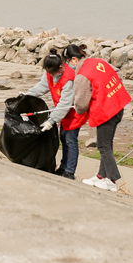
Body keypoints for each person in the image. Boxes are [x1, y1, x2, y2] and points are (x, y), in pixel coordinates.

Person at [67, 44, 132, 192]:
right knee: (107, 144)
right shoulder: (97, 61)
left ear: (74, 59)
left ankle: (112, 180)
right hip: (118, 105)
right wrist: (107, 90)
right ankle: (101, 176)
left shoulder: (81, 76)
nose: (69, 65)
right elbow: (118, 73)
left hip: (106, 111)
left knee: (103, 146)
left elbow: (82, 105)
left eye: (69, 62)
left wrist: (76, 106)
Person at [25, 49, 87, 179]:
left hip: (73, 113)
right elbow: (42, 86)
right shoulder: (49, 72)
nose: (51, 75)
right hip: (62, 113)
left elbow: (65, 103)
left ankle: (69, 171)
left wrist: (51, 120)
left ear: (60, 67)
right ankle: (63, 167)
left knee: (70, 140)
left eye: (53, 72)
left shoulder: (69, 78)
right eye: (48, 72)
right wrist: (28, 94)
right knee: (63, 138)